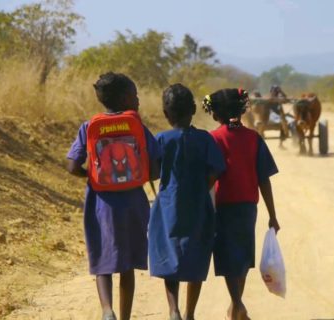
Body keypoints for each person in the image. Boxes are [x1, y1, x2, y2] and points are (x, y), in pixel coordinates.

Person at [66, 72, 161, 320]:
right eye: (134, 94)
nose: (138, 99)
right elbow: (156, 165)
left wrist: (92, 176)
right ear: (123, 98)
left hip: (101, 201)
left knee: (102, 258)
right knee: (127, 264)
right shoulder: (137, 125)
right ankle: (126, 317)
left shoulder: (89, 127)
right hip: (133, 201)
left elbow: (71, 166)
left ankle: (107, 310)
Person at [149, 83, 225, 320]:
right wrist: (203, 187)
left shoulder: (161, 139)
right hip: (198, 205)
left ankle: (174, 310)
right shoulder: (204, 139)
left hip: (167, 206)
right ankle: (191, 313)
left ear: (165, 114)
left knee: (167, 252)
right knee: (197, 254)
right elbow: (216, 169)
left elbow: (152, 171)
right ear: (194, 109)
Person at [203, 88, 281, 320]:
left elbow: (209, 178)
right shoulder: (253, 138)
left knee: (229, 259)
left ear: (216, 114)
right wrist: (272, 214)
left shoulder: (214, 138)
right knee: (243, 259)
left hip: (223, 207)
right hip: (248, 207)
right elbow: (264, 179)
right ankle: (236, 308)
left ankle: (238, 305)